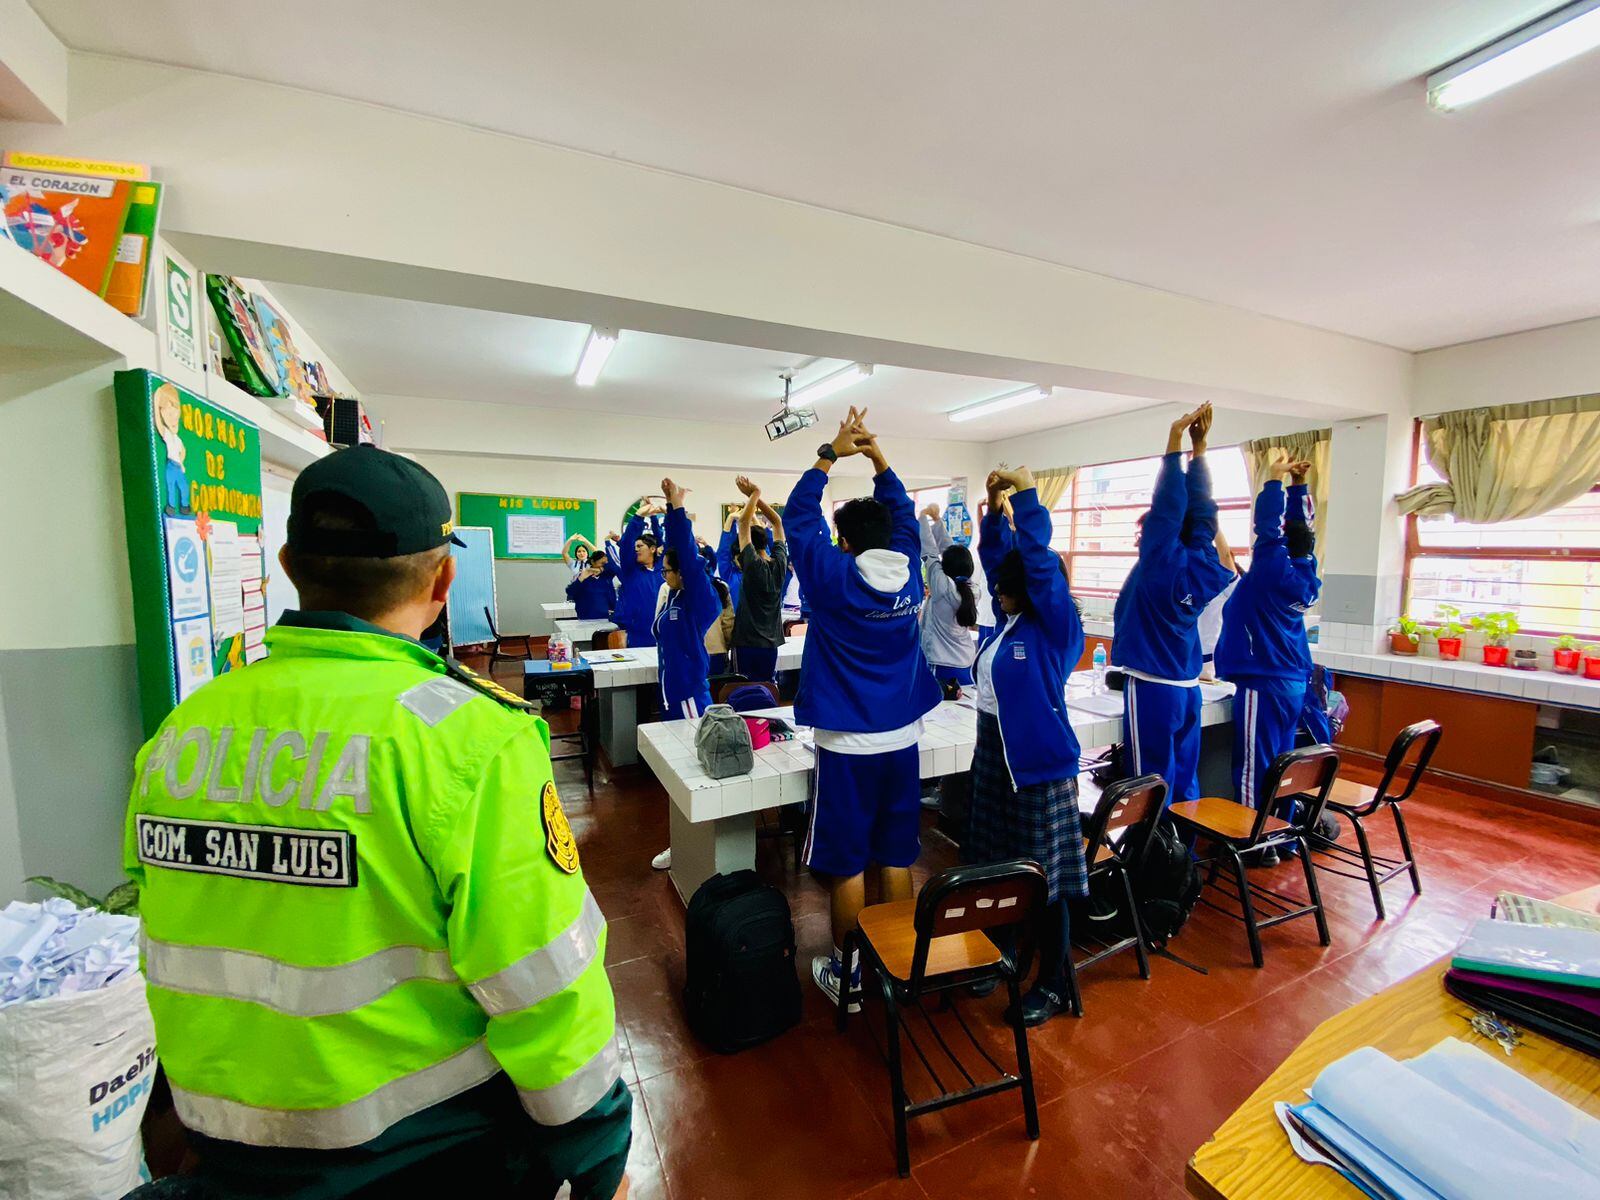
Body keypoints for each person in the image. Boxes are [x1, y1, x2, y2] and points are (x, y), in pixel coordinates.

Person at [123, 446, 630, 1199]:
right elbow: (542, 976)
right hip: (424, 1150)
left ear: (288, 565)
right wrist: (597, 1156)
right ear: (443, 580)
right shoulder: (469, 739)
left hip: (223, 1143)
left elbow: (161, 906)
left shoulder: (183, 730)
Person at [786, 407, 942, 1007]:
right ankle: (898, 967)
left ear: (845, 542)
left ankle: (849, 976)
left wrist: (830, 453)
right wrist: (878, 458)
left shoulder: (832, 577)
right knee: (897, 853)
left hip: (847, 745)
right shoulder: (909, 574)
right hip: (902, 738)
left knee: (848, 862)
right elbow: (902, 515)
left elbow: (798, 517)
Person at [971, 465, 1088, 1026]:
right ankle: (1002, 954)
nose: (997, 592)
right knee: (998, 866)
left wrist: (1026, 496)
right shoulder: (1009, 622)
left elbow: (1036, 566)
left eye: (1006, 588)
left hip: (1039, 768)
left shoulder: (1055, 628)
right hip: (995, 760)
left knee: (1048, 883)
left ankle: (1054, 982)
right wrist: (996, 508)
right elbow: (1001, 561)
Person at [1111, 404, 1235, 806]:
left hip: (1152, 687)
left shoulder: (1159, 563)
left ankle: (1153, 845)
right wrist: (1200, 451)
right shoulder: (1204, 565)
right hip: (1187, 688)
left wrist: (1174, 442)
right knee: (1184, 779)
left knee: (1148, 783)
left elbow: (1167, 504)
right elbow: (1204, 514)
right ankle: (1185, 841)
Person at [1215, 458, 1321, 865]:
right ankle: (1283, 838)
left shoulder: (1270, 571)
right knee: (1282, 767)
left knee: (1252, 767)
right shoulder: (1306, 574)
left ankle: (1250, 844)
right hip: (1292, 683)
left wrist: (1274, 482)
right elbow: (1303, 533)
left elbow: (1267, 528)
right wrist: (1299, 486)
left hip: (1263, 684)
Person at [648, 477, 723, 871]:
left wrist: (675, 509)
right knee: (680, 772)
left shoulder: (697, 598)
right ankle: (682, 840)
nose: (664, 575)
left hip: (690, 698)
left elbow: (687, 556)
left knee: (696, 772)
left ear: (682, 573)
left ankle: (696, 843)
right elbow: (674, 552)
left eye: (667, 571)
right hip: (671, 697)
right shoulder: (674, 597)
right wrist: (665, 514)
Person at [729, 475, 790, 683]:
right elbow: (777, 522)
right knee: (766, 688)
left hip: (747, 643)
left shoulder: (753, 565)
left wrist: (755, 494)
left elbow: (744, 522)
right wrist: (755, 497)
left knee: (743, 689)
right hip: (770, 644)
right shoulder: (779, 562)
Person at [918, 502, 979, 696]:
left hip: (942, 665)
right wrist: (937, 520)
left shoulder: (942, 587)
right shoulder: (971, 589)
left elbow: (929, 551)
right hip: (966, 664)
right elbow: (952, 552)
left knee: (939, 710)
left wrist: (922, 517)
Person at [614, 502, 665, 648]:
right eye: (635, 547)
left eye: (640, 546)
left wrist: (666, 516)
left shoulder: (664, 570)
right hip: (638, 635)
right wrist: (638, 517)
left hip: (664, 634)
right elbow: (626, 544)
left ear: (653, 549)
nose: (636, 549)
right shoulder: (631, 570)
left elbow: (671, 542)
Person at [1197, 524, 1241, 683]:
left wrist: (1213, 524)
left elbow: (1226, 557)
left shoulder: (1226, 584)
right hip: (1187, 656)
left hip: (1208, 661)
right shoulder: (1193, 580)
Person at [698, 544, 737, 676]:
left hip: (690, 654)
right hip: (717, 650)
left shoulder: (676, 588)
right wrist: (727, 645)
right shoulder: (720, 586)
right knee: (718, 687)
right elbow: (728, 623)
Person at [566, 548, 615, 621]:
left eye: (606, 564)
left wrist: (601, 569)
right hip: (586, 618)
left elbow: (615, 566)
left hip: (606, 617)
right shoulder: (584, 575)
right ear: (593, 562)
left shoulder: (607, 576)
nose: (604, 566)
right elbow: (570, 592)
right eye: (602, 563)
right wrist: (581, 578)